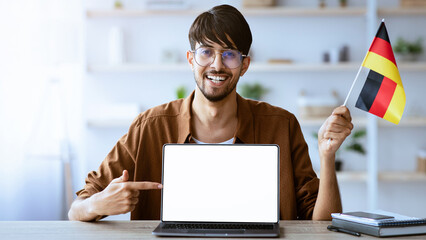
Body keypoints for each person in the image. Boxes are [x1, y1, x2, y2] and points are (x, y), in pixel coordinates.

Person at [68, 4, 353, 222]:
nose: (217, 65)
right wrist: (98, 204)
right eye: (206, 52)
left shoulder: (281, 124)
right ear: (191, 59)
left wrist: (328, 157)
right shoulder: (150, 126)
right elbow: (77, 208)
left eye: (229, 54)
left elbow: (322, 225)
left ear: (244, 65)